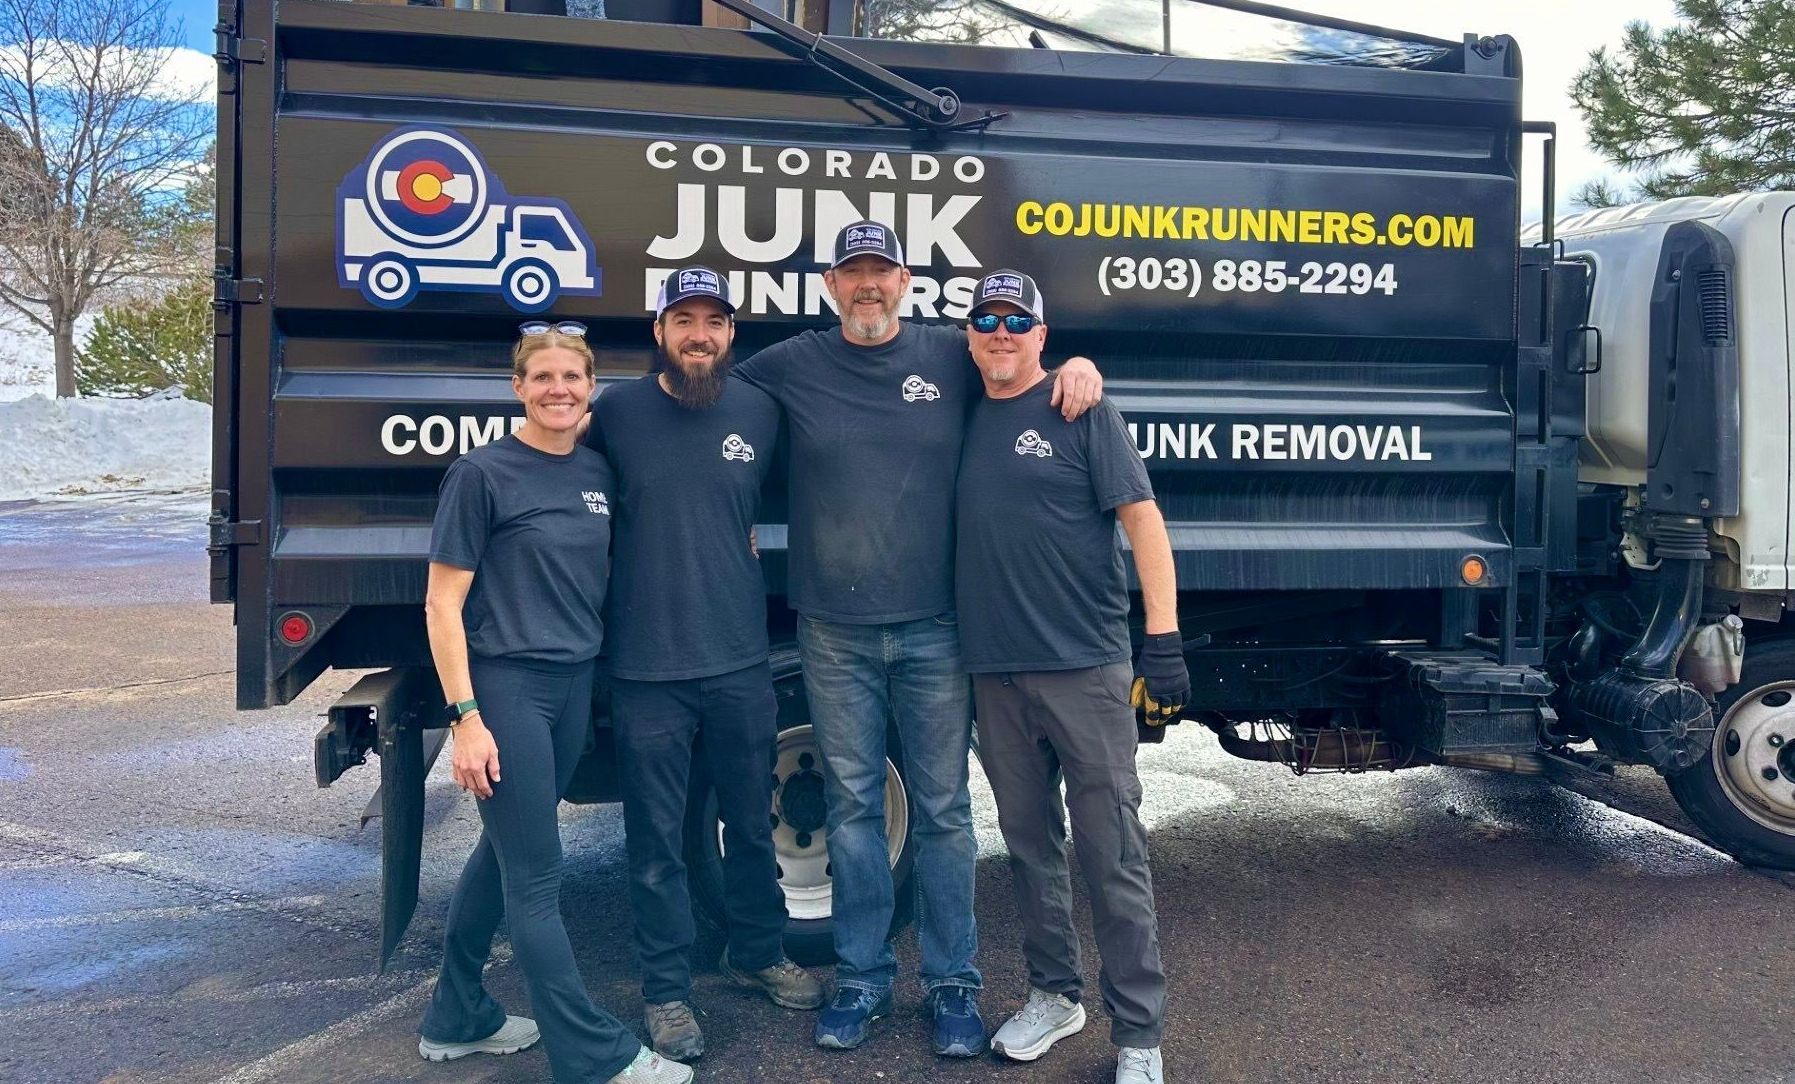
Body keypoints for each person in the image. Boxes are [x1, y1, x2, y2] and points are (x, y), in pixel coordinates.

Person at [728, 221, 1103, 1056]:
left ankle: (952, 988)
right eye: (851, 271)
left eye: (881, 271)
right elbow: (707, 407)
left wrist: (1077, 366)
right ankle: (861, 981)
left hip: (937, 628)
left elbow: (1024, 374)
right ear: (830, 285)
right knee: (856, 810)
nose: (867, 285)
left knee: (941, 812)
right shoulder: (791, 363)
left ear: (904, 283)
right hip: (831, 632)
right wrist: (728, 518)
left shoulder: (952, 354)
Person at [417, 321, 691, 1084]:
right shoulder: (482, 474)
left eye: (572, 377)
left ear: (590, 387)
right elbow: (442, 606)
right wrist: (466, 719)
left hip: (574, 687)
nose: (559, 390)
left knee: (500, 850)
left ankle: (457, 1014)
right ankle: (590, 1056)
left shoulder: (593, 472)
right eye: (543, 378)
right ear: (517, 387)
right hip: (507, 690)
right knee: (537, 875)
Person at [953, 270, 1189, 1084]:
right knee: (1027, 846)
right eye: (985, 319)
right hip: (994, 673)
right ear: (968, 334)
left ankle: (1139, 1037)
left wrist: (1162, 640)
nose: (1000, 332)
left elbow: (1142, 521)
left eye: (1017, 321)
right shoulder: (955, 409)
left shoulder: (1082, 408)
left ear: (1041, 336)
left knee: (1111, 851)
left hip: (1085, 669)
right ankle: (1054, 995)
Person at [587, 267, 823, 1062]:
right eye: (683, 320)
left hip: (738, 661)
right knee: (654, 842)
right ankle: (665, 993)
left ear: (731, 334)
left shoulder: (760, 409)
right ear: (658, 331)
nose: (699, 334)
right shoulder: (613, 411)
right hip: (646, 666)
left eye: (714, 321)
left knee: (750, 826)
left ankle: (756, 953)